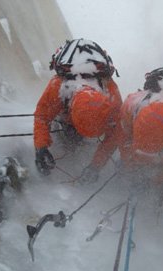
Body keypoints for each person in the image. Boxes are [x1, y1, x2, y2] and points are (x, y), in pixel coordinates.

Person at [92, 67, 163, 188]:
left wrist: (156, 179)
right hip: (139, 151)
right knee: (125, 169)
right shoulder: (132, 107)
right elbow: (118, 138)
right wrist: (97, 166)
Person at [33, 38, 122, 183]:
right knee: (68, 137)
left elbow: (114, 135)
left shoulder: (111, 95)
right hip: (67, 119)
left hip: (76, 113)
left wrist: (95, 166)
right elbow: (42, 116)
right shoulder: (58, 88)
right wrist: (40, 147)